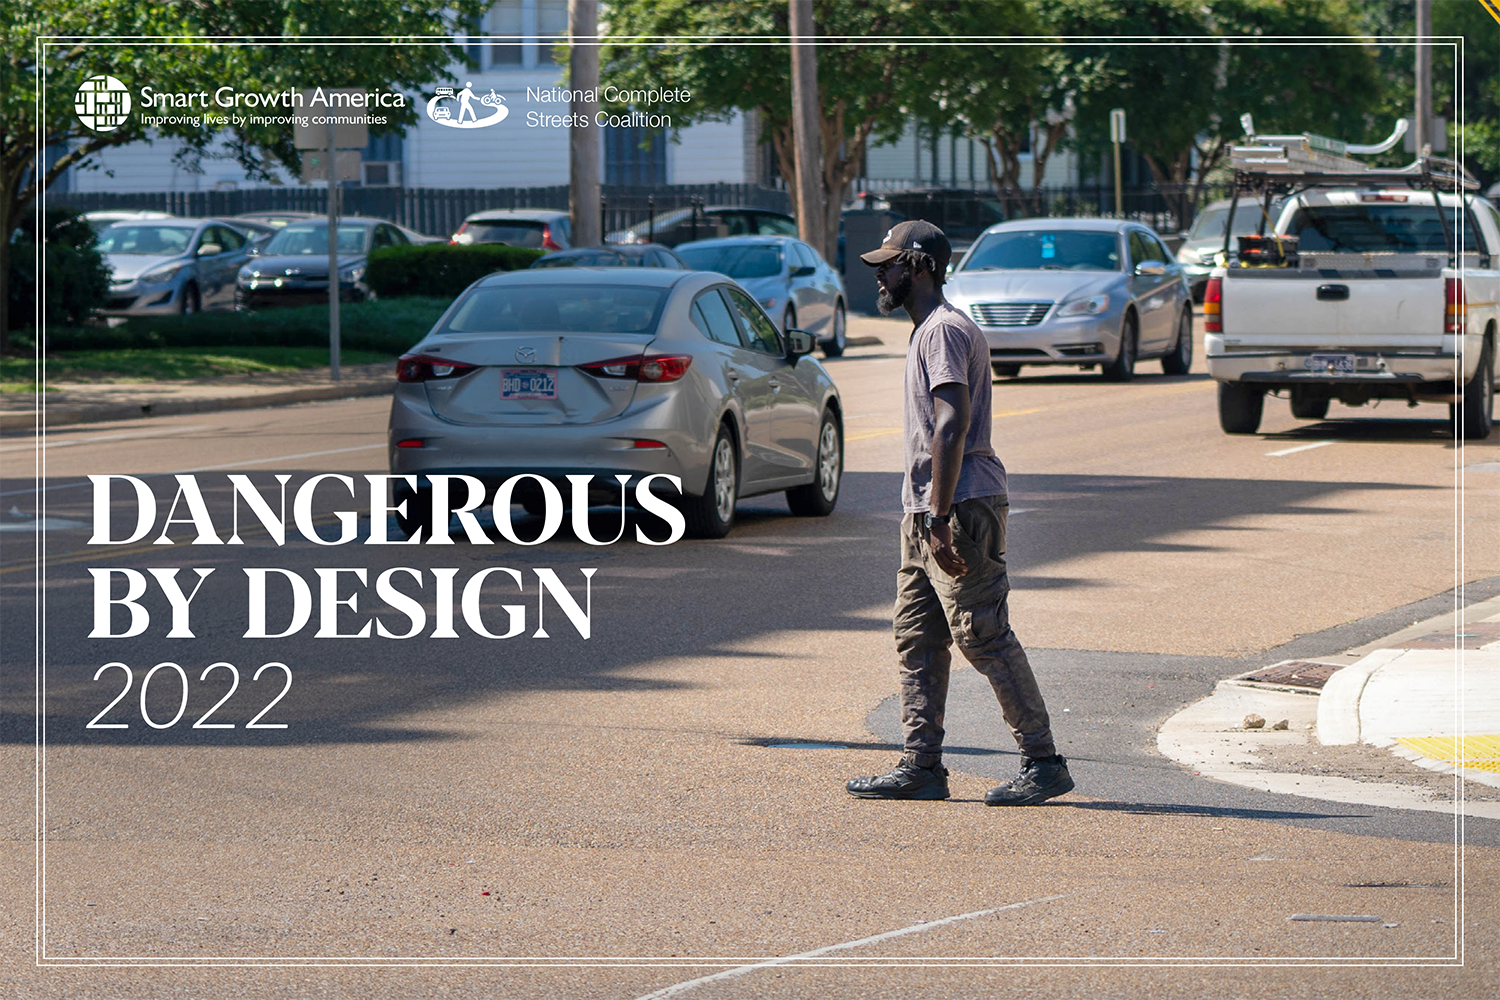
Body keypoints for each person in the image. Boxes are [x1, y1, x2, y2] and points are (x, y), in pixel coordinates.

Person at [845, 220, 1073, 806]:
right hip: (927, 511)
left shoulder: (944, 331)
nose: (880, 273)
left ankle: (1043, 761)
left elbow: (952, 424)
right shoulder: (927, 331)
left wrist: (941, 517)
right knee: (917, 638)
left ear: (920, 265)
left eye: (890, 263)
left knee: (983, 635)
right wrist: (924, 515)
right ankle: (921, 765)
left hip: (958, 506)